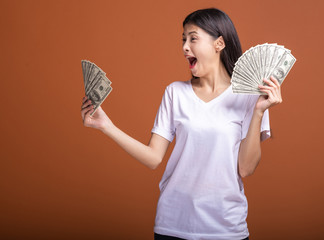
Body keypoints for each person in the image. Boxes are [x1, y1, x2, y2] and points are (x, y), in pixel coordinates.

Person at [81, 8, 282, 240]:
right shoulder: (175, 92)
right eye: (183, 39)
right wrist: (107, 126)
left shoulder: (250, 97)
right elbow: (154, 158)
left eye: (193, 38)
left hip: (226, 228)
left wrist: (258, 112)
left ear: (219, 44)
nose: (185, 46)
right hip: (172, 224)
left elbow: (246, 169)